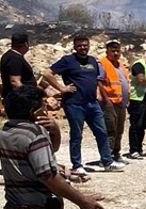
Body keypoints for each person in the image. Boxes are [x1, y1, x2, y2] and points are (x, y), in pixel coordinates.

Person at [44, 35, 121, 177]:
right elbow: (47, 74)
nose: (83, 48)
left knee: (102, 132)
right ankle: (77, 165)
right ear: (74, 47)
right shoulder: (68, 61)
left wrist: (98, 94)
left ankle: (107, 162)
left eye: (85, 45)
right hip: (74, 103)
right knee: (77, 135)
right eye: (79, 45)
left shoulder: (92, 61)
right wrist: (61, 88)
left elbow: (96, 79)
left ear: (89, 45)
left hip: (92, 103)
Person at [98, 41, 130, 164]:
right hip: (109, 103)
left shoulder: (121, 66)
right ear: (107, 52)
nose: (116, 53)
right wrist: (106, 100)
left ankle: (116, 153)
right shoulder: (103, 64)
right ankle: (107, 156)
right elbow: (99, 82)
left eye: (118, 51)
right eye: (113, 51)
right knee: (110, 129)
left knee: (119, 129)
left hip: (121, 103)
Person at [0, 32, 36, 101]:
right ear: (26, 44)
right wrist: (29, 97)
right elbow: (15, 82)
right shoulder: (14, 59)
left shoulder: (10, 56)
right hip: (18, 101)